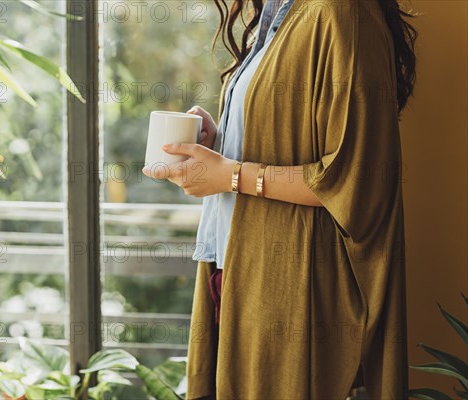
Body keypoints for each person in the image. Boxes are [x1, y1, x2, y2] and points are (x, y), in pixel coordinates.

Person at [142, 0, 417, 398]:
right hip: (235, 273)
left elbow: (357, 179)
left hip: (293, 287)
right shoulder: (275, 10)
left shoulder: (340, 11)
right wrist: (220, 140)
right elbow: (287, 142)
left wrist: (230, 175)